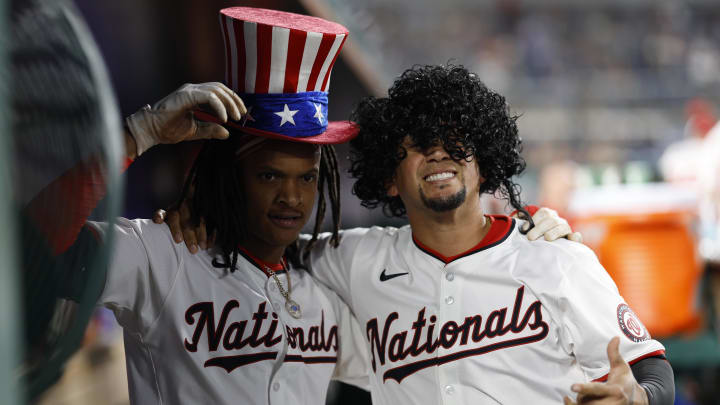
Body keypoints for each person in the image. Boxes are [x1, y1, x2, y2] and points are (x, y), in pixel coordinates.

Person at [164, 64, 674, 404]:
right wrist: (204, 212)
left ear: (484, 163)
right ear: (390, 175)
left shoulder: (555, 258)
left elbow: (654, 372)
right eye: (416, 144)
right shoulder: (353, 259)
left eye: (455, 139)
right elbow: (263, 240)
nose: (438, 153)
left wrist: (638, 397)